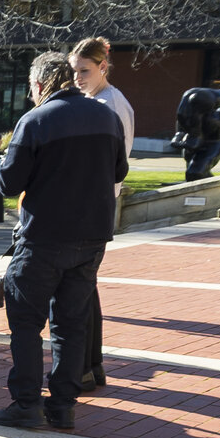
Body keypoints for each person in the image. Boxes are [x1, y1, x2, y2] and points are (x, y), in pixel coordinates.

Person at [0, 52, 127, 431]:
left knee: (25, 321)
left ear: (38, 85)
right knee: (71, 324)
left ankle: (26, 403)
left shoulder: (35, 120)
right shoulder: (107, 117)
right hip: (92, 238)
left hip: (45, 238)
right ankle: (63, 405)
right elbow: (120, 170)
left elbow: (9, 184)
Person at [67, 36, 133, 393]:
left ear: (102, 67)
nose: (77, 77)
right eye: (74, 70)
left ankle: (87, 368)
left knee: (79, 290)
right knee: (84, 289)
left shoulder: (109, 105)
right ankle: (91, 367)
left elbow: (113, 166)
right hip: (93, 206)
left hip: (93, 209)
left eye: (84, 70)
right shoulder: (98, 101)